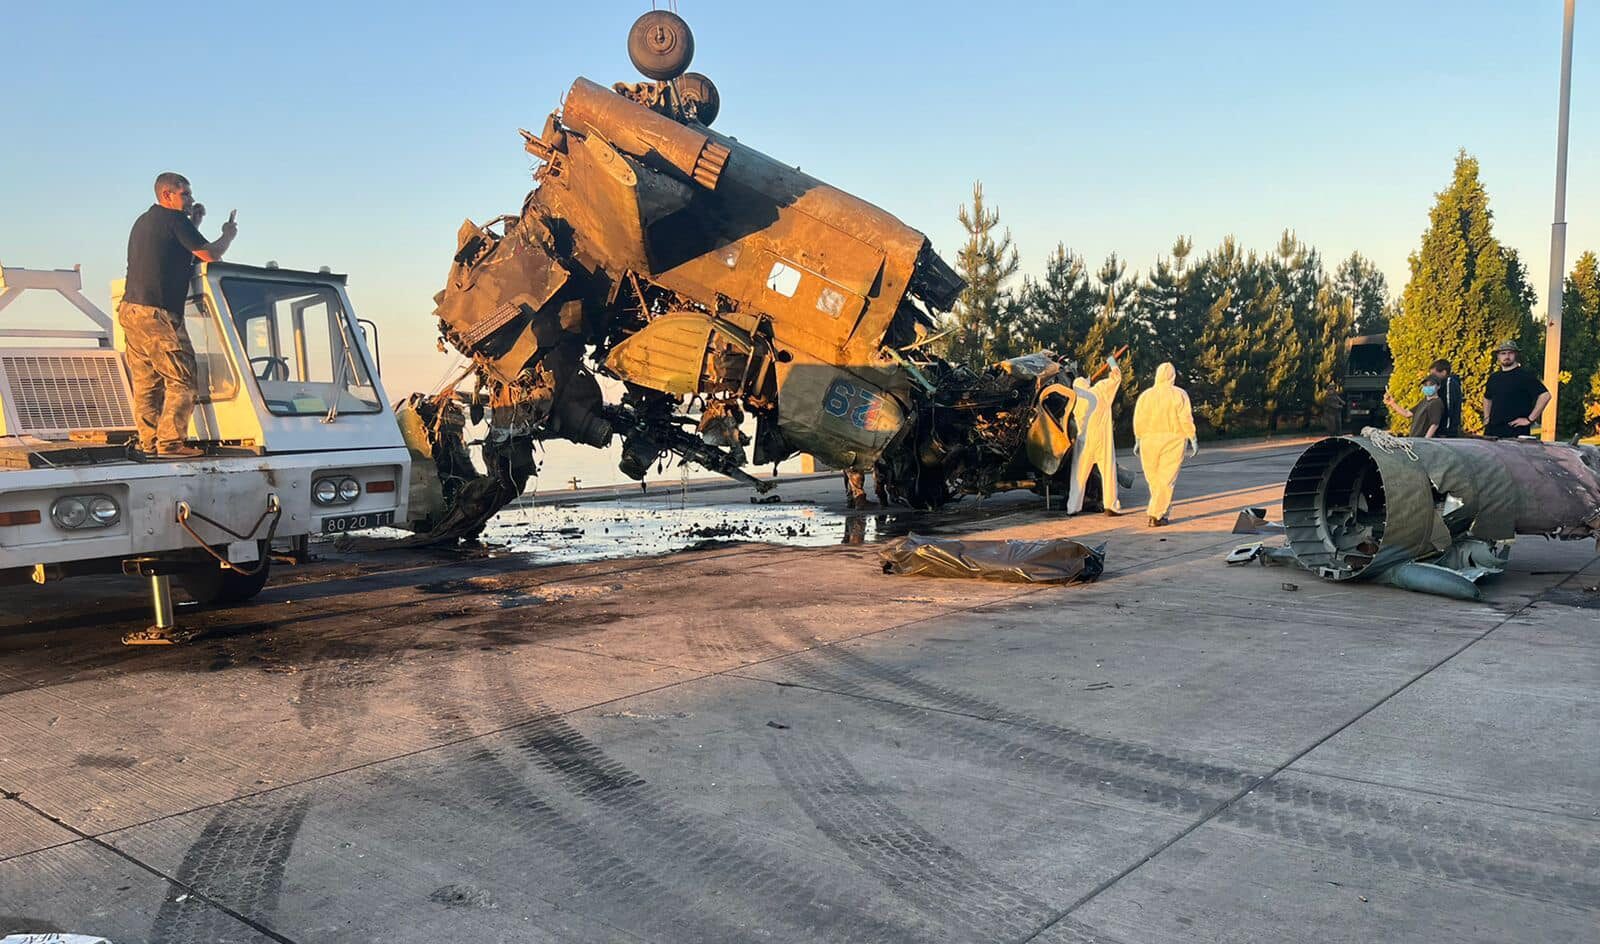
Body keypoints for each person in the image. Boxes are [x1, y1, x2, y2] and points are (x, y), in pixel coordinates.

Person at [120, 172, 237, 457]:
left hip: (131, 310)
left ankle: (149, 444)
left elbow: (179, 249)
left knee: (148, 382)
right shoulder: (173, 219)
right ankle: (171, 443)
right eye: (185, 194)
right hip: (157, 312)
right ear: (167, 195)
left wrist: (193, 221)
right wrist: (228, 234)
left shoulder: (146, 221)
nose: (191, 199)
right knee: (183, 378)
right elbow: (210, 254)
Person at [1132, 363, 1197, 528]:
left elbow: (1139, 418)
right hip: (1173, 439)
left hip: (1149, 440)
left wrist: (1138, 438)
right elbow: (1185, 418)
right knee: (1166, 479)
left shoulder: (1146, 395)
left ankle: (1157, 512)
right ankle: (1156, 514)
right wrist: (1192, 437)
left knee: (1153, 478)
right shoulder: (1179, 394)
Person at [1066, 356, 1121, 515]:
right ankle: (1110, 507)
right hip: (1102, 440)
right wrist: (1112, 363)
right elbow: (1116, 378)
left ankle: (1073, 508)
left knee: (1078, 476)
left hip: (1084, 442)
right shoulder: (1100, 391)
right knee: (1108, 473)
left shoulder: (1075, 400)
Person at [1482, 340, 1549, 439]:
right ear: (1498, 356)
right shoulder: (1494, 378)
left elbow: (1545, 395)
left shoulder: (1525, 376)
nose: (1507, 356)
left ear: (1516, 355)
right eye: (1503, 353)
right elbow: (1487, 398)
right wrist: (1487, 418)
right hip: (1493, 432)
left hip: (1516, 432)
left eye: (1510, 353)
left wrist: (1530, 419)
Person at [1428, 359, 1464, 437]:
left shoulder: (1450, 385)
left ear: (1444, 372)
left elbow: (1448, 407)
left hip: (1447, 431)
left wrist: (1445, 429)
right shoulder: (1439, 385)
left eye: (1434, 374)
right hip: (1440, 430)